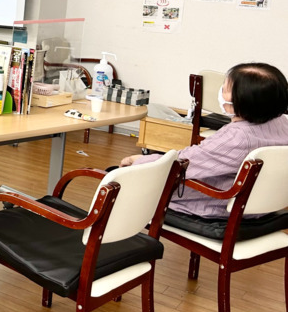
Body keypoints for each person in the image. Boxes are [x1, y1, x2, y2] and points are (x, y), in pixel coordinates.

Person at [120, 63, 288, 218]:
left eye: (225, 88)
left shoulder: (236, 137)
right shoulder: (283, 123)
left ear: (243, 100)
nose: (220, 91)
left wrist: (138, 160)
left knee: (124, 183)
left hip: (222, 209)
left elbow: (179, 165)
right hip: (263, 209)